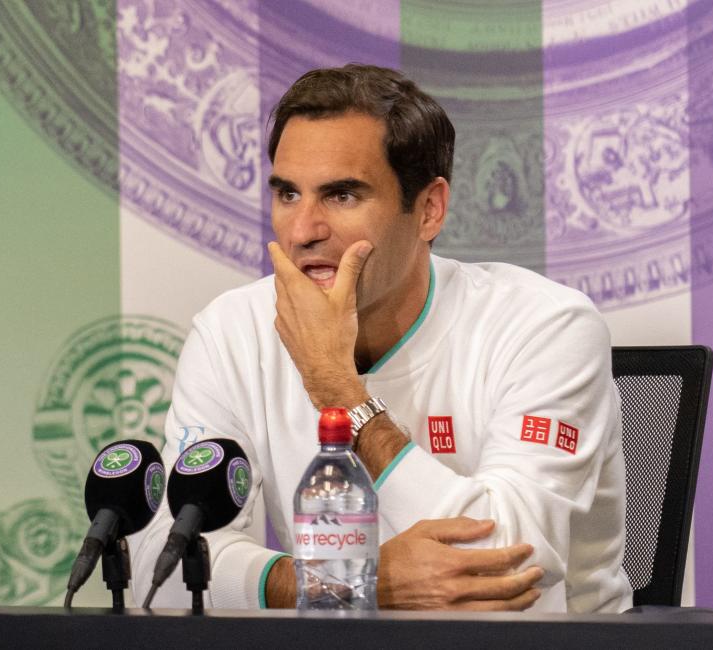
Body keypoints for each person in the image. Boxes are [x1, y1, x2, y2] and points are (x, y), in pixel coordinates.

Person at [130, 64, 633, 613]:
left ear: (428, 210)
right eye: (288, 194)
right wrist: (349, 581)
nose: (303, 231)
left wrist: (340, 390)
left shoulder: (545, 326)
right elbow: (163, 564)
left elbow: (504, 563)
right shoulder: (231, 332)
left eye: (342, 196)